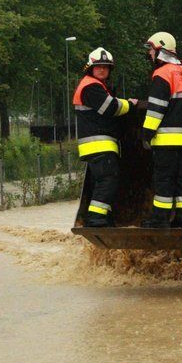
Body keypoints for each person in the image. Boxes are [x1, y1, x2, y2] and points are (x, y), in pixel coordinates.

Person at [73, 47, 137, 228]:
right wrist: (130, 104)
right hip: (99, 144)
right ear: (90, 68)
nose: (102, 69)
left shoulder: (96, 86)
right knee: (108, 179)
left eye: (106, 67)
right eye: (98, 66)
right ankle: (96, 219)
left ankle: (103, 218)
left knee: (104, 181)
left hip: (98, 145)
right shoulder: (91, 87)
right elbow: (111, 108)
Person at [140, 31, 182, 229]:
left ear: (160, 50)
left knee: (164, 181)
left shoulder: (162, 74)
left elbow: (156, 108)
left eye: (151, 50)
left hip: (165, 141)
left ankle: (160, 219)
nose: (150, 54)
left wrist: (146, 133)